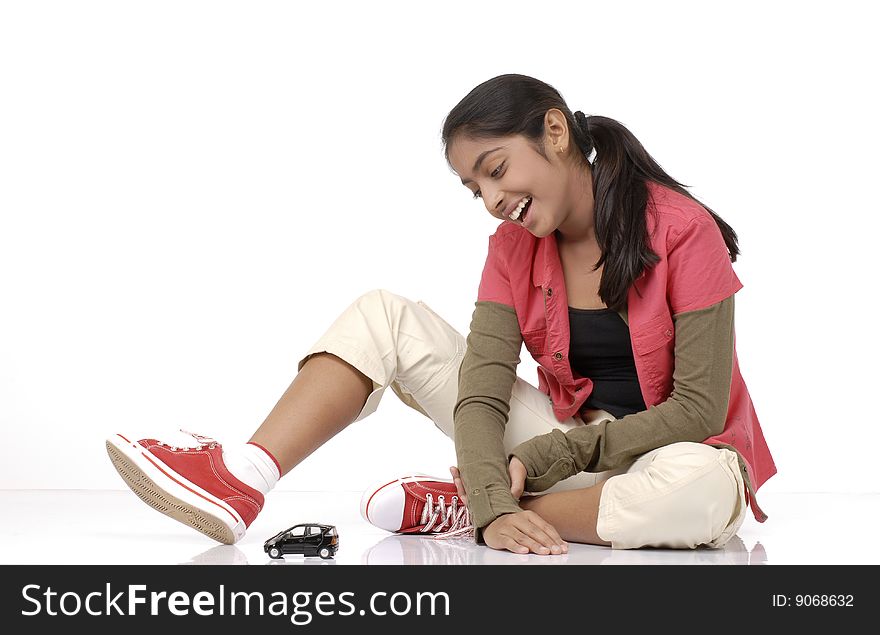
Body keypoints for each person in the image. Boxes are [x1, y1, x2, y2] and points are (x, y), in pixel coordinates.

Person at [106, 73, 776, 555]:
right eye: (473, 187)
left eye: (495, 168)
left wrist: (517, 475)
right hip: (567, 459)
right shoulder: (512, 248)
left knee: (700, 495)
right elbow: (482, 383)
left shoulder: (682, 230)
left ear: (553, 130)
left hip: (674, 453)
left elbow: (698, 408)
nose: (489, 198)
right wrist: (510, 466)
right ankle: (242, 478)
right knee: (384, 316)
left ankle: (476, 505)